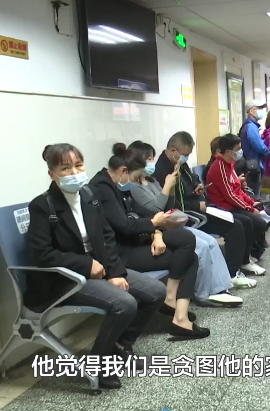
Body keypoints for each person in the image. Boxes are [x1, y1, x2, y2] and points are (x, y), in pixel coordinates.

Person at [27, 144, 167, 389]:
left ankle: (120, 346)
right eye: (65, 168)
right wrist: (86, 264)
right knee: (124, 303)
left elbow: (106, 237)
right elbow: (42, 255)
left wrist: (115, 272)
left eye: (78, 165)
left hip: (99, 269)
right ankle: (97, 364)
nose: (74, 172)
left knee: (156, 291)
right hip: (66, 279)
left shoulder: (88, 196)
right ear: (52, 174)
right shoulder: (42, 206)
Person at [89, 144, 210, 341]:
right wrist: (153, 224)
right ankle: (178, 315)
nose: (135, 182)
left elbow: (141, 213)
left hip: (136, 239)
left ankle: (175, 307)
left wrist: (156, 232)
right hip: (122, 253)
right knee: (190, 256)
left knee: (187, 241)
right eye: (135, 177)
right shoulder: (102, 188)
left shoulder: (116, 184)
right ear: (123, 171)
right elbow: (124, 225)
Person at [125, 141, 243, 307]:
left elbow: (168, 205)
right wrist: (167, 186)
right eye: (149, 159)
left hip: (171, 224)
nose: (152, 162)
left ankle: (221, 288)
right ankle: (203, 294)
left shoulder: (151, 181)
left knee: (210, 242)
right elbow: (155, 209)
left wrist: (171, 188)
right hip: (159, 229)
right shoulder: (134, 187)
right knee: (201, 247)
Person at [153, 131, 265, 284]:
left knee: (245, 222)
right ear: (174, 151)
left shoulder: (179, 163)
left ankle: (244, 261)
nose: (186, 158)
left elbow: (192, 179)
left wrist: (197, 187)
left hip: (201, 206)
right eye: (185, 155)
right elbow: (172, 202)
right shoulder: (161, 171)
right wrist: (196, 204)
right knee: (235, 226)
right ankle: (232, 273)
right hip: (188, 214)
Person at [205, 134, 270, 259]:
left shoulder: (230, 164)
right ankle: (245, 258)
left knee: (262, 215)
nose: (240, 151)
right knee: (252, 222)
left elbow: (237, 189)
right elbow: (229, 195)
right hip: (224, 207)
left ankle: (249, 254)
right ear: (228, 151)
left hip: (233, 204)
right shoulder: (219, 167)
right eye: (238, 149)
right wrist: (250, 208)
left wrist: (251, 203)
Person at [240, 100, 270, 198]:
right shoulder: (250, 126)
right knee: (254, 194)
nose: (262, 111)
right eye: (259, 108)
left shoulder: (251, 126)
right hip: (252, 165)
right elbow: (258, 145)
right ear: (251, 111)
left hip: (253, 164)